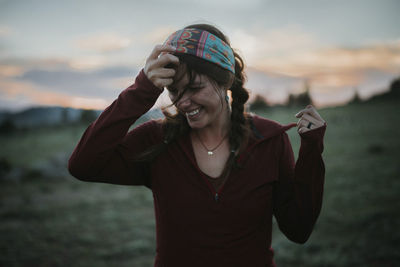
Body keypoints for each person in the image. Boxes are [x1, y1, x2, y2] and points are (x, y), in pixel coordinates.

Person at [68, 23, 327, 267]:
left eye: (194, 87)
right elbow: (83, 165)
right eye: (174, 91)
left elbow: (298, 229)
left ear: (225, 81)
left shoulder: (269, 140)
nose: (183, 102)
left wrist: (311, 152)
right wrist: (142, 90)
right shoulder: (158, 140)